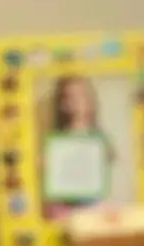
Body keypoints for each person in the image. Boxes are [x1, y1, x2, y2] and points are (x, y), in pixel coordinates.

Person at [42, 74, 117, 219]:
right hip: (64, 205)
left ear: (89, 100)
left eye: (80, 96)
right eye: (70, 98)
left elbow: (110, 158)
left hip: (92, 203)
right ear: (62, 104)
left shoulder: (98, 136)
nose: (76, 103)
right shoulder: (56, 139)